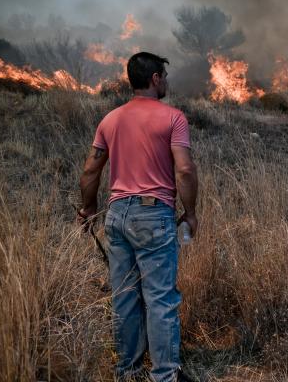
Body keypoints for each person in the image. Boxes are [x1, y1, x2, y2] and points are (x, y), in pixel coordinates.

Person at [77, 52, 198, 381]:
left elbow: (90, 171)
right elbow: (185, 170)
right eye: (164, 77)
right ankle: (165, 375)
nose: (166, 83)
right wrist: (190, 213)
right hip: (152, 214)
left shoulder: (110, 119)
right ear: (156, 79)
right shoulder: (173, 118)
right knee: (160, 299)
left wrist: (88, 208)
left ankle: (127, 373)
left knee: (126, 298)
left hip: (116, 215)